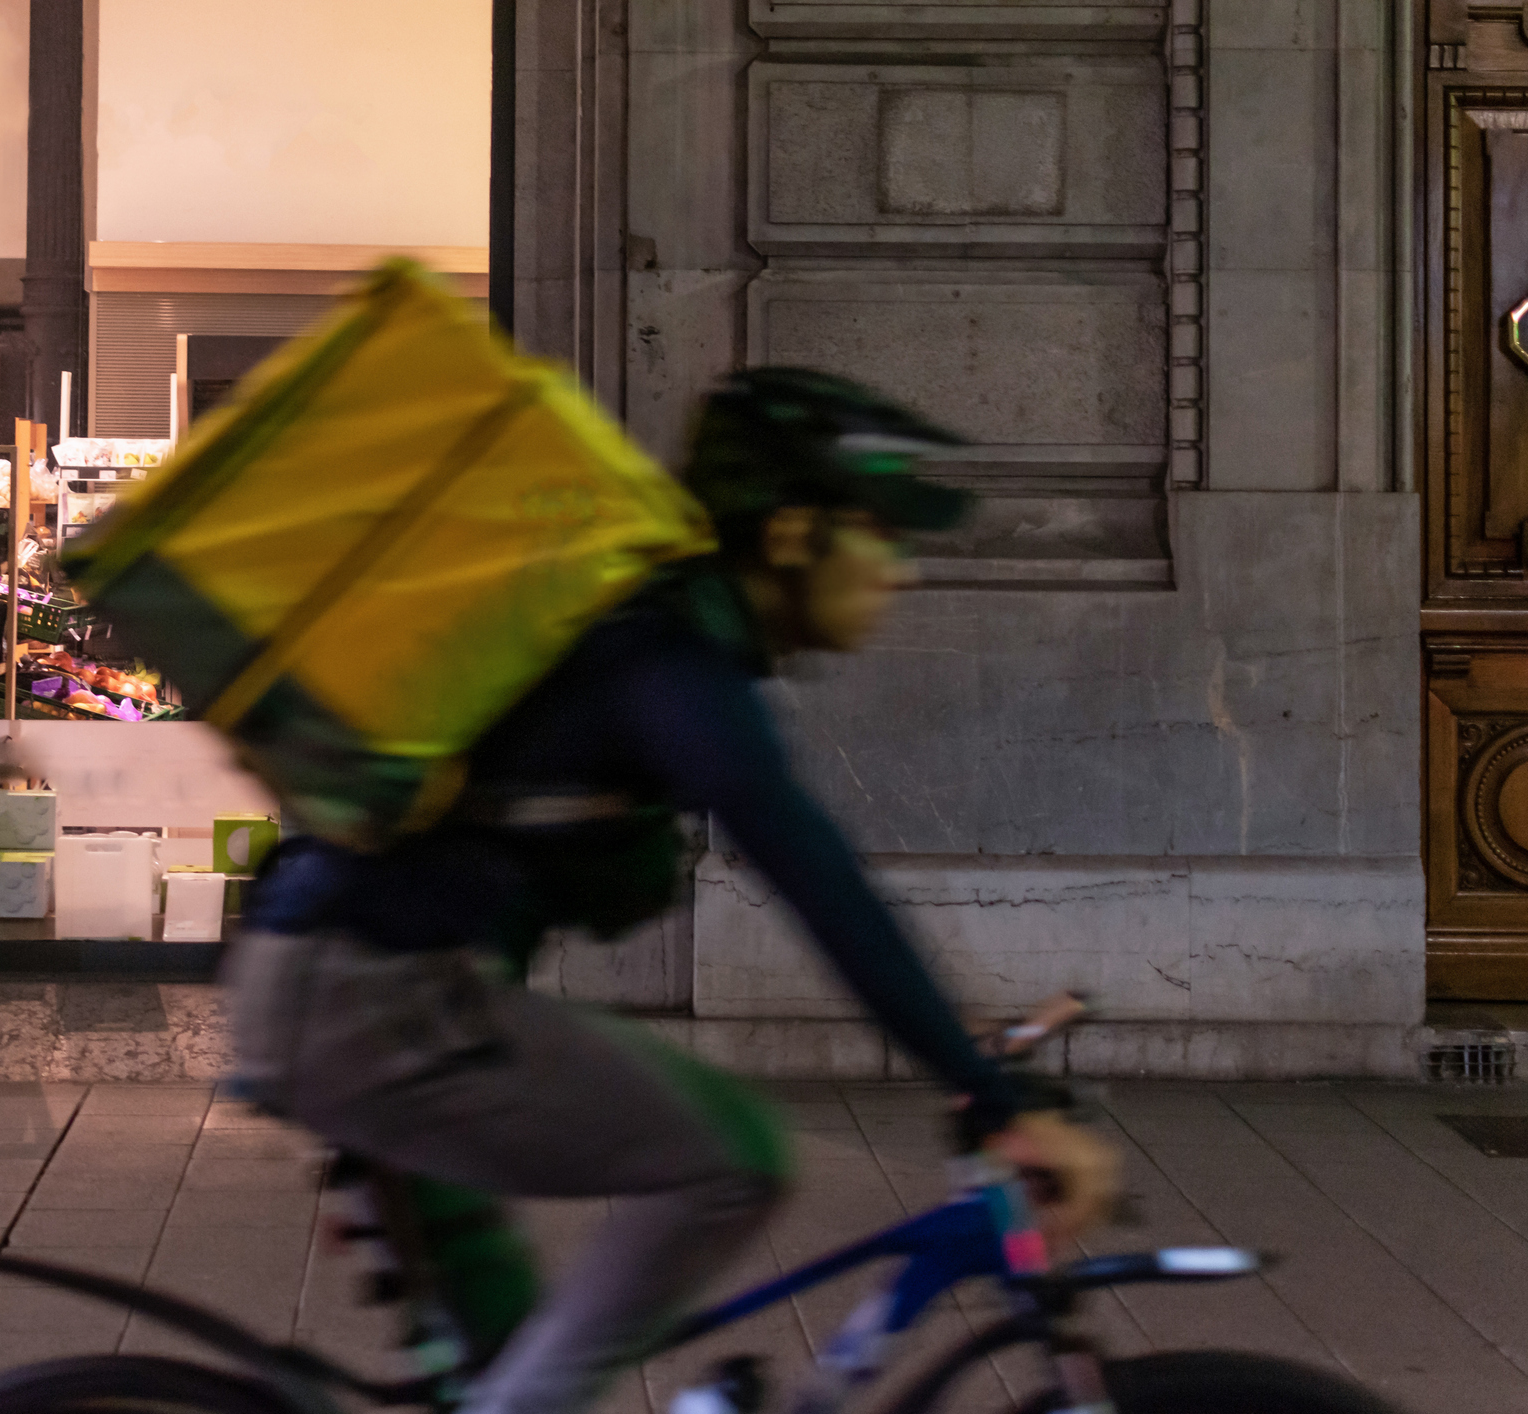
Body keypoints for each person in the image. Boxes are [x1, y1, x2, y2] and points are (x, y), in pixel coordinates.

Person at [226, 367, 1119, 1414]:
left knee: (516, 1355)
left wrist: (959, 1045)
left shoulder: (651, 633)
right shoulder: (664, 659)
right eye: (881, 533)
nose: (904, 571)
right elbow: (811, 870)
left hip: (368, 994)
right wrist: (986, 1093)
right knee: (733, 1159)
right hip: (377, 1005)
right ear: (791, 534)